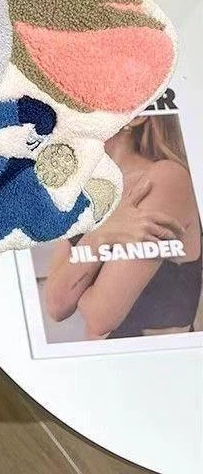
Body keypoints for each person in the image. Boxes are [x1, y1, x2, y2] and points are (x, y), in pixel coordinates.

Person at [44, 115, 202, 339]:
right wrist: (99, 236)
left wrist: (76, 282)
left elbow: (100, 317)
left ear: (137, 117)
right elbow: (56, 305)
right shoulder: (82, 190)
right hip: (101, 358)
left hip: (154, 358)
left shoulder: (166, 178)